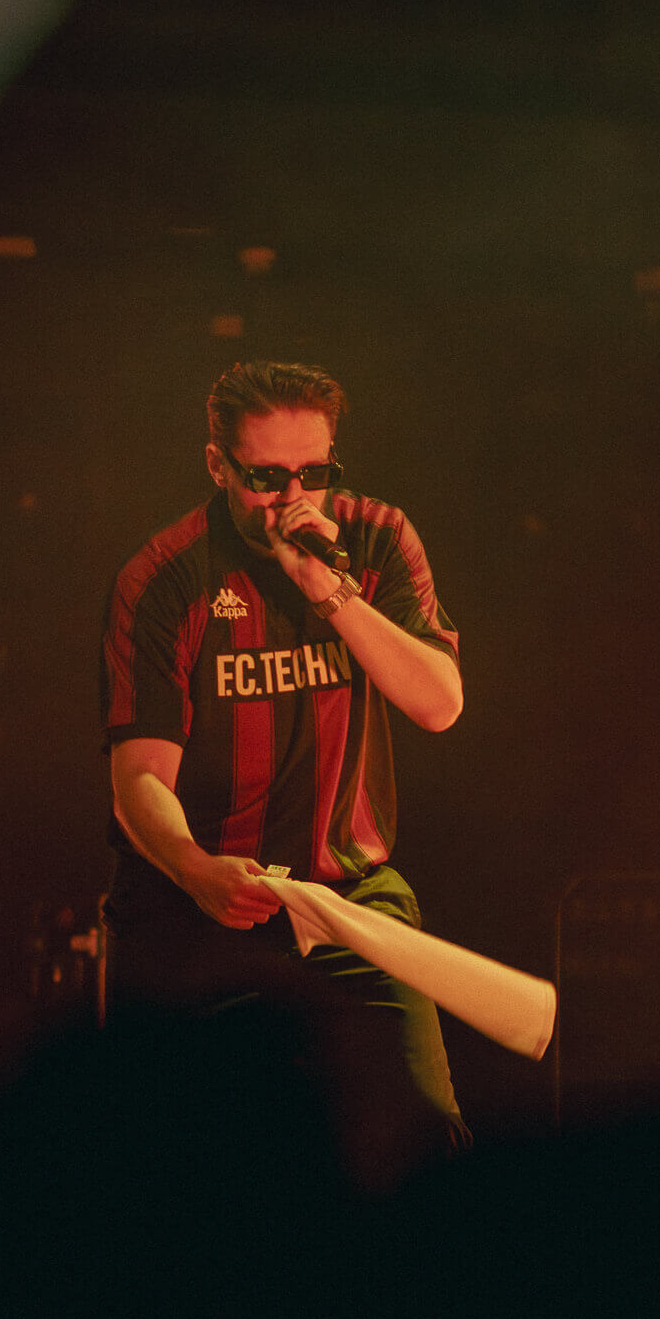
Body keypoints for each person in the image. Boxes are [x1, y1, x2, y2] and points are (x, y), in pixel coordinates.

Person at [100, 360, 469, 1191]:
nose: (293, 498)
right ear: (218, 465)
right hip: (200, 903)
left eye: (315, 473)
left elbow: (439, 703)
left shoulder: (376, 538)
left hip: (349, 893)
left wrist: (328, 590)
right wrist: (196, 871)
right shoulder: (165, 578)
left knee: (424, 1136)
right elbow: (139, 777)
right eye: (267, 478)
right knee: (189, 1170)